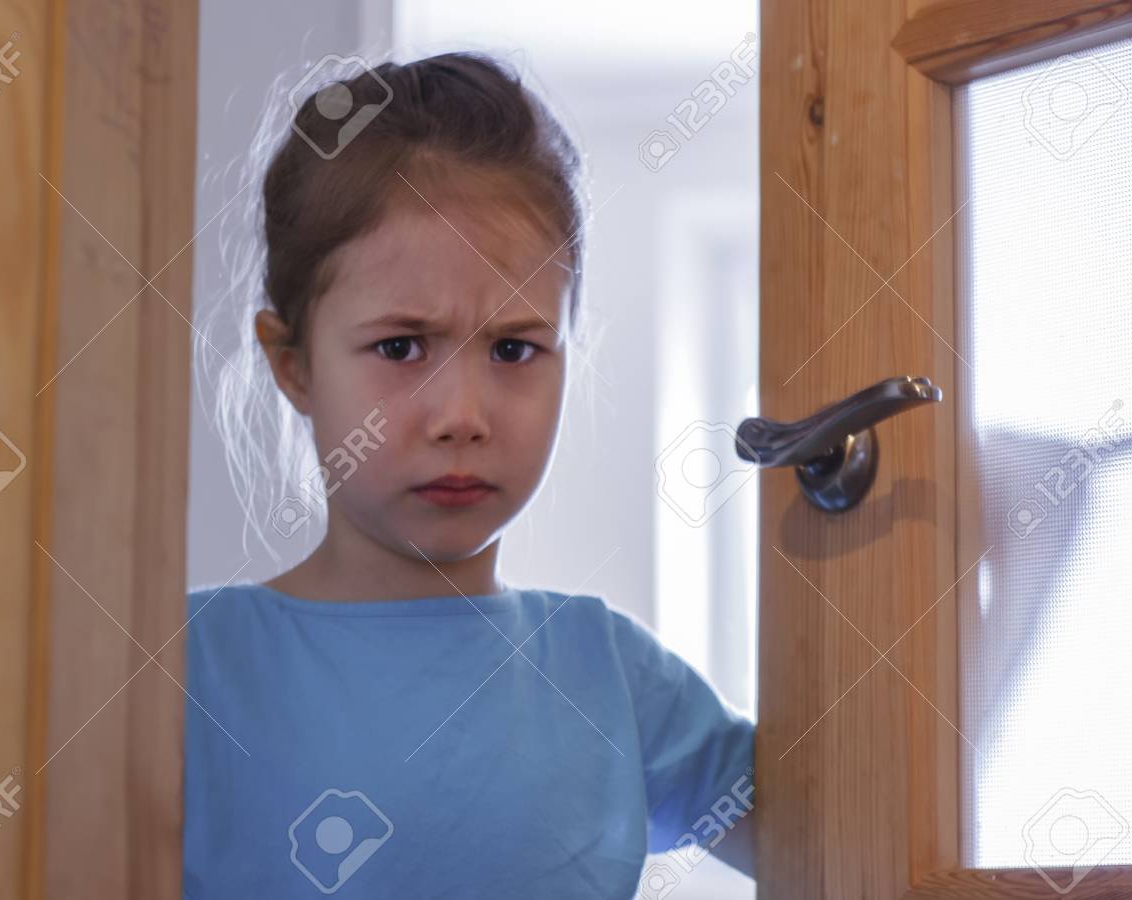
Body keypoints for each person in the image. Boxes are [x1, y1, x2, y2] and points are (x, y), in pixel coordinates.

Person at [184, 50, 755, 898]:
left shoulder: (616, 679)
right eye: (401, 347)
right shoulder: (182, 672)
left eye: (515, 349)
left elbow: (873, 841)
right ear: (292, 362)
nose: (463, 414)